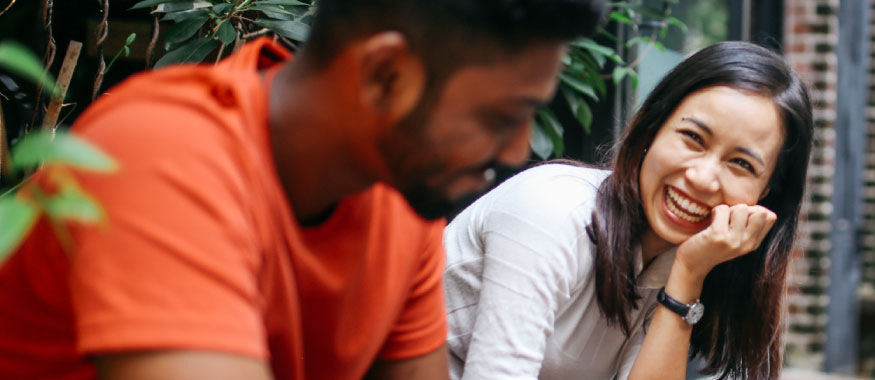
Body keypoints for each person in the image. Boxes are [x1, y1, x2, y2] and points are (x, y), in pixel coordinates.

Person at [0, 0, 605, 379]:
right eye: (499, 117)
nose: (515, 152)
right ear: (385, 75)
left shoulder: (401, 202)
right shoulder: (164, 154)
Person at [443, 41, 812, 380]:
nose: (702, 178)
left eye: (741, 164)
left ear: (765, 194)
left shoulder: (684, 258)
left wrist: (687, 276)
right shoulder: (551, 211)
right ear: (653, 128)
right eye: (693, 138)